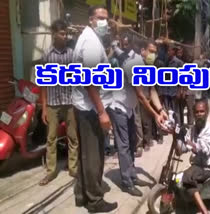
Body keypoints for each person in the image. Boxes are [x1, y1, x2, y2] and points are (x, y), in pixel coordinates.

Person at [107, 36, 168, 197]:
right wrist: (155, 115)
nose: (154, 55)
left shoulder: (146, 65)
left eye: (155, 52)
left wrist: (161, 109)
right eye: (151, 52)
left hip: (129, 107)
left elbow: (152, 89)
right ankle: (127, 182)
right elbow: (141, 95)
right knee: (124, 145)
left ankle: (133, 175)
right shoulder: (133, 63)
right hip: (119, 106)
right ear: (142, 51)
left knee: (133, 142)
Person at [71, 5, 118, 213]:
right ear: (91, 19)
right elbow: (90, 80)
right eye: (100, 18)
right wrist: (102, 112)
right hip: (91, 109)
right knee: (94, 157)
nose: (104, 23)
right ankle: (95, 201)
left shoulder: (89, 38)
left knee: (85, 155)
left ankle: (82, 195)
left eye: (106, 19)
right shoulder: (90, 42)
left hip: (85, 106)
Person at [39, 19, 79, 186]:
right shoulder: (47, 56)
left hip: (70, 102)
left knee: (73, 137)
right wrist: (43, 108)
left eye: (66, 33)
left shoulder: (71, 54)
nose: (65, 36)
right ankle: (50, 172)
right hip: (53, 104)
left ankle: (74, 169)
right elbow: (43, 84)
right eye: (62, 33)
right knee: (51, 138)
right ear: (54, 34)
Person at [176, 99, 210, 214]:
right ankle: (199, 204)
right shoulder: (192, 130)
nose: (199, 115)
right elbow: (182, 149)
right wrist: (176, 135)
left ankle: (204, 211)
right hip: (199, 167)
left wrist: (190, 144)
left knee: (187, 176)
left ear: (206, 112)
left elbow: (203, 150)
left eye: (202, 111)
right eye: (197, 112)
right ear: (193, 113)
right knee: (183, 180)